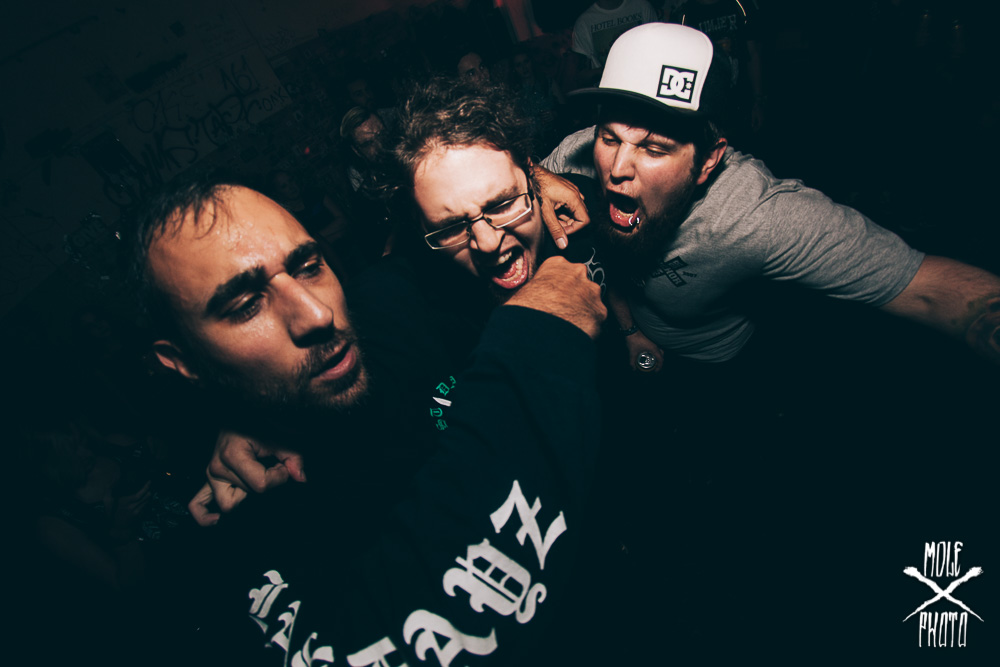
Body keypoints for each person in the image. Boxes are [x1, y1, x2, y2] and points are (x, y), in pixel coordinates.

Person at [121, 175, 606, 664]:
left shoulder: (386, 302)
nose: (316, 314)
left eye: (308, 267)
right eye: (247, 306)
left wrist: (537, 175)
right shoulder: (229, 540)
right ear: (184, 362)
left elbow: (461, 202)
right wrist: (539, 331)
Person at [542, 22, 1000, 371]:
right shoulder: (577, 158)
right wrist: (533, 178)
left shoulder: (756, 216)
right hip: (636, 340)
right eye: (609, 137)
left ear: (708, 161)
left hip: (721, 359)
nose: (617, 168)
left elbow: (925, 289)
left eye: (655, 149)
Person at [570, 0, 659, 83]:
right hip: (610, 90)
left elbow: (657, 48)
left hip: (646, 82)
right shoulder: (584, 22)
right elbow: (580, 75)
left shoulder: (642, 6)